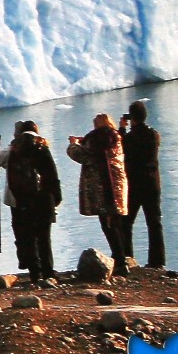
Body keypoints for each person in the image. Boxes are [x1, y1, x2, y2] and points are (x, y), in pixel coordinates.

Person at [0, 121, 61, 286]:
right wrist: (57, 198)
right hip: (43, 199)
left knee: (27, 237)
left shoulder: (14, 148)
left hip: (21, 201)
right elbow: (52, 174)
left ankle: (35, 273)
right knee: (44, 238)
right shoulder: (42, 146)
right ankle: (48, 272)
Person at [69, 113, 131, 276]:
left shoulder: (93, 140)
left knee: (107, 224)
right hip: (117, 186)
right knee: (117, 222)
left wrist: (73, 145)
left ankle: (119, 259)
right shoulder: (116, 138)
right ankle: (122, 257)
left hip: (100, 187)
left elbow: (82, 156)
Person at [120, 102, 164, 268]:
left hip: (134, 186)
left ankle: (127, 257)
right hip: (152, 184)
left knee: (126, 222)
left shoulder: (130, 138)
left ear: (132, 118)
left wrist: (122, 129)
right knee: (154, 223)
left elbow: (122, 146)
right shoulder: (154, 136)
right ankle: (157, 261)